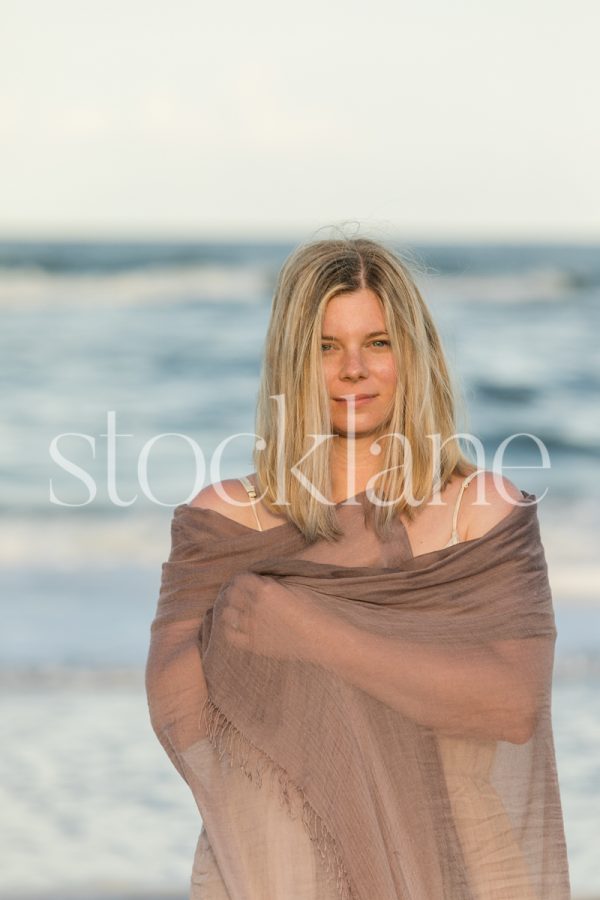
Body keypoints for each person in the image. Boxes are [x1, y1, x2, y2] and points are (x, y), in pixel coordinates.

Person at [145, 236, 570, 899]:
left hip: (457, 867)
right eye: (325, 347)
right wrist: (340, 565)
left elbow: (510, 704)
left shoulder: (478, 511)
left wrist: (313, 630)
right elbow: (180, 713)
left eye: (378, 343)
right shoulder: (226, 518)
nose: (353, 370)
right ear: (292, 363)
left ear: (415, 355)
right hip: (270, 868)